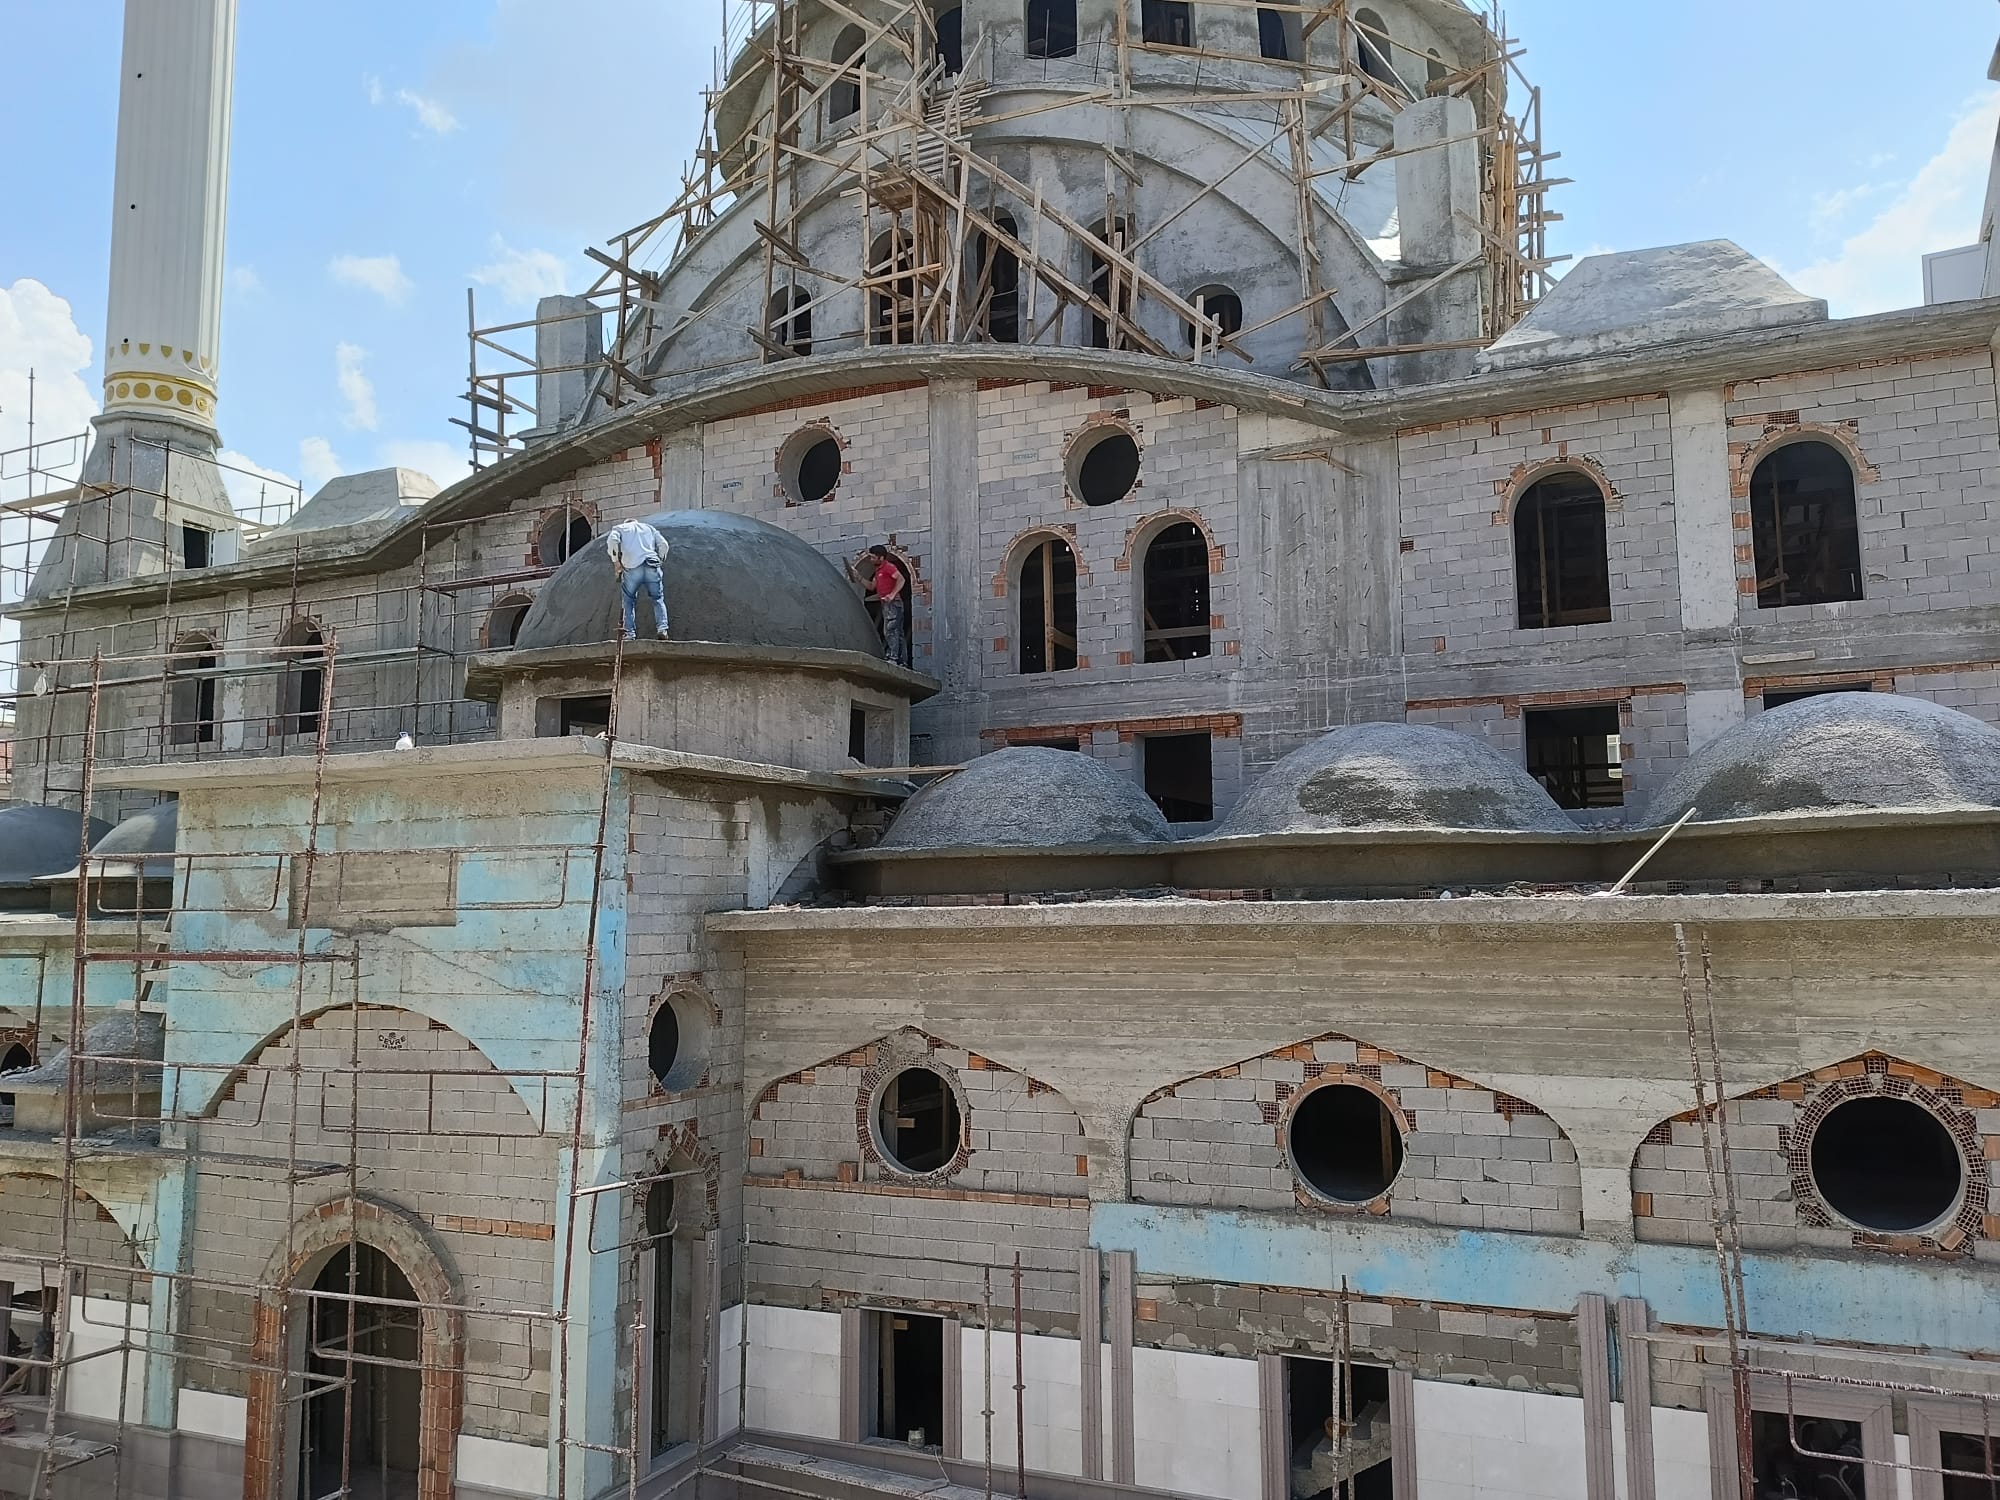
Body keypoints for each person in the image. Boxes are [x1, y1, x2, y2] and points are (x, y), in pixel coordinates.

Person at [606, 519, 671, 640]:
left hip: (632, 568)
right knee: (658, 599)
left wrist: (616, 562)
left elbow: (612, 541)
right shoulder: (649, 528)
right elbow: (664, 545)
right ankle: (662, 629)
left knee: (628, 601)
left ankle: (630, 633)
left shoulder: (620, 528)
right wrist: (660, 561)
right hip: (652, 564)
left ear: (626, 523)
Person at [869, 546, 909, 667]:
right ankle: (902, 660)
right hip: (887, 605)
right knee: (897, 632)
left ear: (881, 557)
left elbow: (901, 579)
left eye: (873, 557)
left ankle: (894, 657)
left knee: (891, 631)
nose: (871, 560)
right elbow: (871, 586)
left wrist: (892, 595)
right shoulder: (878, 571)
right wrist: (858, 577)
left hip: (893, 604)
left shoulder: (888, 567)